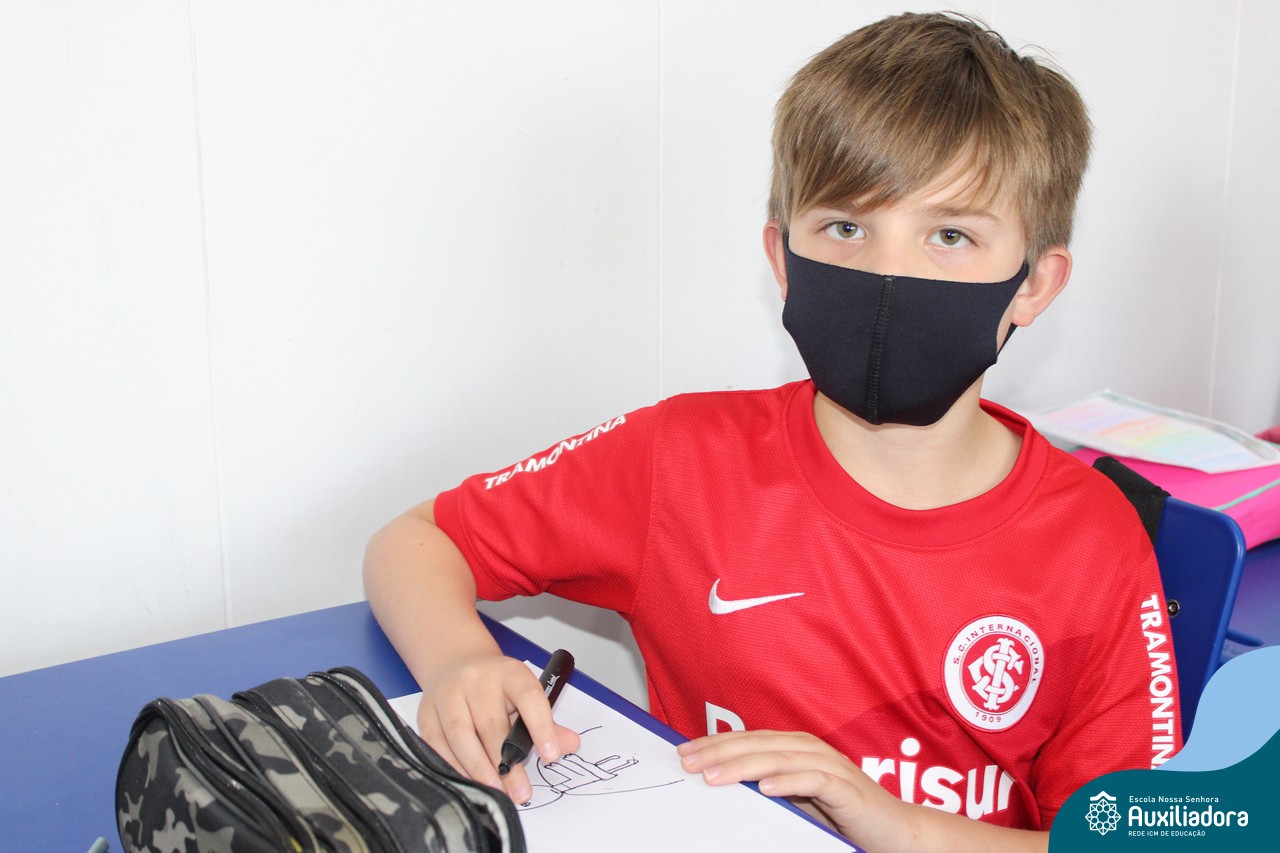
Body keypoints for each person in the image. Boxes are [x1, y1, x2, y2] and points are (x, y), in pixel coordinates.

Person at [364, 12, 1180, 851]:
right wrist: (459, 662)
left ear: (1034, 285)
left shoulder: (1094, 539)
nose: (888, 273)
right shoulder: (682, 459)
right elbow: (417, 540)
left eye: (949, 235)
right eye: (846, 228)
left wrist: (894, 825)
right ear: (784, 258)